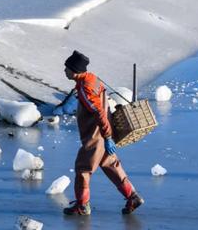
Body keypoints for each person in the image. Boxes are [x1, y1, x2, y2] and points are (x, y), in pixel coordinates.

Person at [62, 50, 144, 216]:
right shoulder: (93, 79)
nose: (64, 71)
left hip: (96, 136)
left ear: (75, 70)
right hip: (104, 133)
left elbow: (98, 112)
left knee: (83, 169)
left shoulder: (86, 89)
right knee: (111, 165)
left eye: (67, 68)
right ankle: (133, 197)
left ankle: (82, 206)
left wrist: (106, 137)